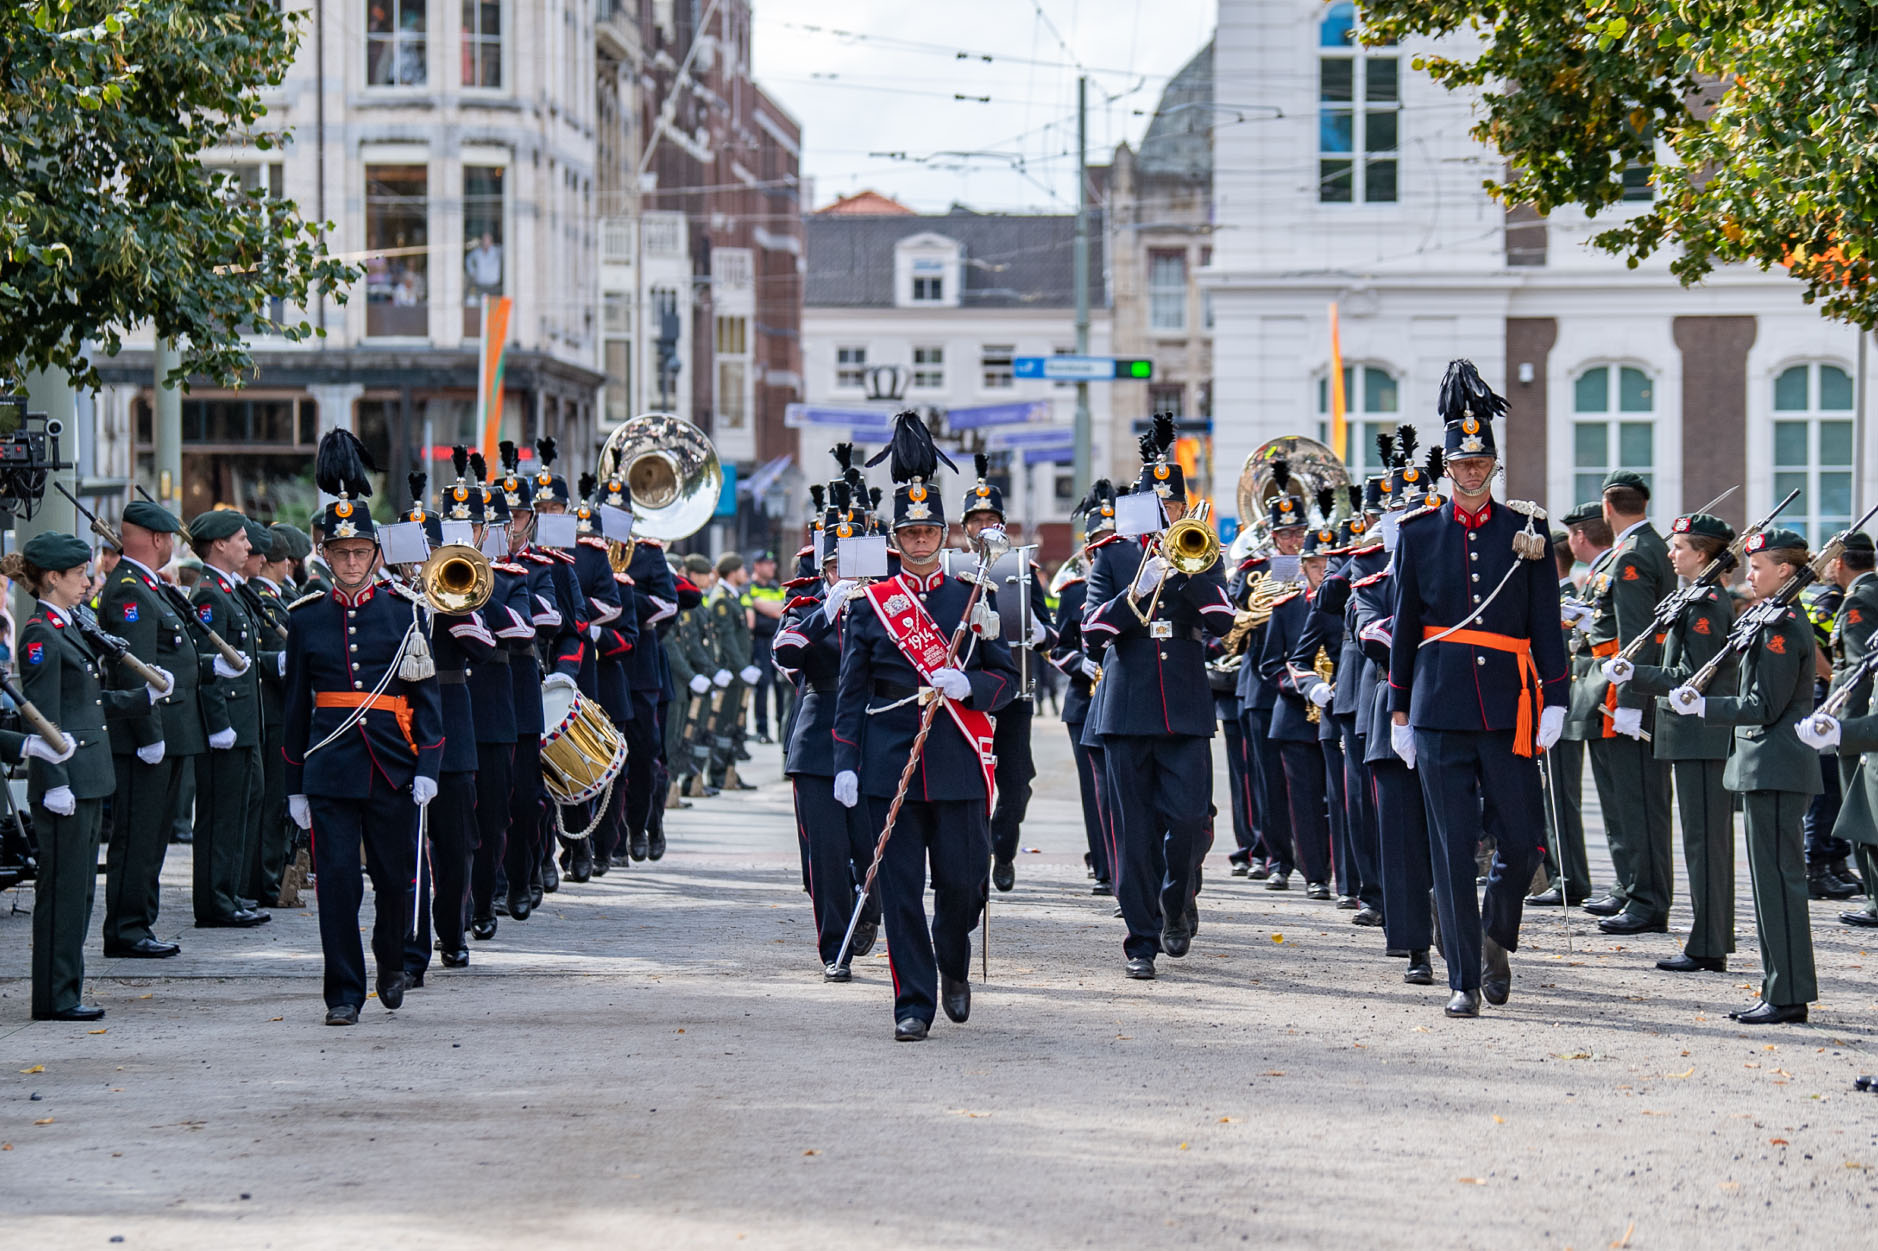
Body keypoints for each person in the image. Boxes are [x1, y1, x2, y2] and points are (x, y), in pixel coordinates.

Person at [1387, 360, 1569, 1017]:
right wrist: (1398, 707)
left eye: (1480, 463)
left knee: (1522, 843)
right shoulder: (1416, 533)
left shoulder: (1526, 532)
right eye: (1461, 464)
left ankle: (1495, 933)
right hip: (1438, 708)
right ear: (1447, 467)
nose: (1470, 473)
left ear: (1492, 466)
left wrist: (1556, 697)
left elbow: (1546, 624)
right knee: (1451, 846)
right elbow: (1405, 623)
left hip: (1508, 711)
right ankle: (1464, 977)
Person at [831, 411, 1018, 1040]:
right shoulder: (871, 603)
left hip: (958, 761)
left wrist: (972, 686)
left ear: (944, 534)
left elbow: (1006, 682)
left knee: (964, 886)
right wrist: (847, 762)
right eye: (908, 532)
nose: (918, 541)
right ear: (897, 534)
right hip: (891, 761)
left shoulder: (974, 594)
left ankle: (953, 964)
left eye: (928, 531)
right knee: (902, 890)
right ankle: (913, 1001)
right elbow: (851, 692)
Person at [284, 430, 444, 1025]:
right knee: (337, 891)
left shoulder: (407, 611)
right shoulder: (307, 619)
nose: (351, 563)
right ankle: (344, 994)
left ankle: (392, 962)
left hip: (391, 766)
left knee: (397, 882)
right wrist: (294, 784)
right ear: (326, 554)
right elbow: (297, 708)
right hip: (329, 768)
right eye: (341, 553)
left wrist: (428, 766)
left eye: (360, 553)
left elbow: (426, 700)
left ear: (376, 554)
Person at [1083, 414, 1236, 980]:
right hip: (1126, 711)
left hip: (1187, 710)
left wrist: (1185, 565)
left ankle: (1177, 898)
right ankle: (1141, 940)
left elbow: (1223, 618)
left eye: (1175, 507)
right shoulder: (1112, 557)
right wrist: (1138, 587)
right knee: (1134, 831)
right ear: (1140, 507)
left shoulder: (1202, 551)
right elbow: (1093, 631)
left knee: (1192, 822)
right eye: (1158, 506)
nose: (1168, 515)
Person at [9, 532, 164, 1019]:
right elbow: (44, 715)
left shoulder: (67, 625)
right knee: (63, 892)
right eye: (79, 575)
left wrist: (144, 699)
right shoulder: (40, 633)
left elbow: (90, 705)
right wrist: (54, 783)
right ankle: (55, 996)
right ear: (52, 578)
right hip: (67, 780)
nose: (89, 583)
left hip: (88, 776)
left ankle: (66, 989)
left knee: (79, 892)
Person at [1671, 529, 1820, 1024]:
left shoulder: (1783, 627)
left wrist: (1702, 707)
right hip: (1767, 766)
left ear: (1784, 571)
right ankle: (1780, 987)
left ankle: (1788, 993)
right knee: (1770, 887)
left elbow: (1764, 705)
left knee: (1778, 885)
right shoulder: (1773, 618)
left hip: (1775, 766)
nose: (1748, 574)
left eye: (1758, 567)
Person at [1603, 511, 1738, 973]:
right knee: (1702, 844)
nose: (1669, 553)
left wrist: (1633, 674)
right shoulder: (1695, 597)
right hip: (1692, 739)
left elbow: (1690, 678)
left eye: (1679, 548)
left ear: (1703, 555)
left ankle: (1708, 944)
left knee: (1705, 845)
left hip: (1700, 739)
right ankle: (1709, 939)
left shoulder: (1706, 604)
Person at [98, 500, 213, 958]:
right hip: (146, 736)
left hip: (168, 731)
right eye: (168, 538)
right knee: (139, 836)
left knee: (153, 836)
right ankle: (126, 929)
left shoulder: (149, 586)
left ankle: (139, 923)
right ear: (159, 539)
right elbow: (135, 671)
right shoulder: (128, 590)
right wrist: (150, 736)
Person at [773, 493, 880, 980]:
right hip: (818, 734)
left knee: (874, 844)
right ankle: (834, 950)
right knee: (826, 853)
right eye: (835, 565)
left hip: (874, 731)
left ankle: (870, 907)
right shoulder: (806, 603)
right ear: (824, 567)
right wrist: (825, 611)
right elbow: (786, 653)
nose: (845, 574)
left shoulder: (887, 605)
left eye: (853, 564)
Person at [1574, 471, 1677, 936]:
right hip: (1606, 685)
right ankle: (1628, 884)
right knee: (1618, 798)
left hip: (1624, 691)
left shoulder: (1636, 554)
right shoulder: (1629, 549)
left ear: (1607, 507)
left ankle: (1647, 900)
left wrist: (1633, 702)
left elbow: (1638, 636)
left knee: (1638, 801)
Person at [958, 453, 1056, 892]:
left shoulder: (1022, 570)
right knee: (965, 780)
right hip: (963, 693)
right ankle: (972, 852)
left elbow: (1049, 632)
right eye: (975, 521)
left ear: (1002, 524)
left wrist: (1039, 632)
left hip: (1014, 691)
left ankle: (1004, 848)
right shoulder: (949, 569)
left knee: (1016, 782)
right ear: (964, 528)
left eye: (990, 519)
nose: (983, 528)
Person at [186, 510, 268, 928]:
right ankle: (215, 900)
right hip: (227, 727)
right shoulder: (208, 595)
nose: (248, 546)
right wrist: (218, 724)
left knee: (243, 805)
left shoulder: (228, 591)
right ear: (218, 544)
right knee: (221, 813)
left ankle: (229, 891)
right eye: (239, 539)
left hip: (244, 723)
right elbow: (206, 665)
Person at [1529, 510, 1599, 907]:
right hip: (1541, 705)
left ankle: (1569, 877)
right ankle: (1559, 872)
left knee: (1559, 795)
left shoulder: (1565, 601)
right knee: (1549, 796)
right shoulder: (1554, 598)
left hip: (1558, 706)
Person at [1050, 482, 1115, 894]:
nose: (1102, 546)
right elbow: (1057, 648)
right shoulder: (1074, 590)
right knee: (1094, 790)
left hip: (1127, 694)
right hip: (1084, 700)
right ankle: (1104, 865)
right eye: (1096, 540)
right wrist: (1082, 664)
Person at [236, 519, 291, 907]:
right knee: (269, 804)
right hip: (271, 712)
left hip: (276, 713)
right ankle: (264, 880)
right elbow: (267, 660)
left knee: (274, 803)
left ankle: (266, 876)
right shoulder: (262, 598)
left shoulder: (267, 597)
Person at [1821, 532, 1878, 904]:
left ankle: (1875, 900)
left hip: (1856, 722)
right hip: (1860, 722)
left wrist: (1844, 728)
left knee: (1860, 813)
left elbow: (1860, 671)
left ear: (1840, 562)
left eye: (1828, 557)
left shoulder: (1859, 599)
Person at [707, 553, 759, 791]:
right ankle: (718, 774)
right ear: (731, 571)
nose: (745, 573)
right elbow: (726, 640)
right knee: (724, 725)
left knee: (734, 725)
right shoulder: (721, 599)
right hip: (729, 671)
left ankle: (730, 773)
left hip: (737, 672)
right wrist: (742, 666)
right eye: (741, 568)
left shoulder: (732, 596)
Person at [745, 550, 787, 743]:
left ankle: (781, 728)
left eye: (773, 563)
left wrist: (765, 607)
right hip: (759, 642)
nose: (773, 567)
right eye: (767, 563)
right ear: (757, 566)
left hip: (776, 639)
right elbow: (774, 609)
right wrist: (774, 609)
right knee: (762, 684)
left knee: (780, 684)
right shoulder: (749, 587)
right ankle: (762, 729)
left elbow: (782, 610)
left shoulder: (775, 586)